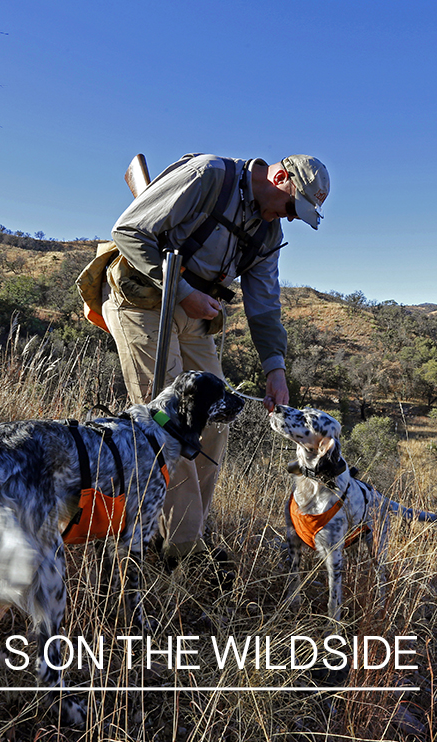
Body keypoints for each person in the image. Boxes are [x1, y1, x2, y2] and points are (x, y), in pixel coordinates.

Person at [99, 153, 330, 568]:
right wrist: (185, 290)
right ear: (278, 177)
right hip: (143, 298)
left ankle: (186, 529)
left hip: (195, 313)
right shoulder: (208, 175)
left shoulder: (268, 232)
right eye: (294, 206)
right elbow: (129, 231)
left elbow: (264, 304)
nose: (292, 219)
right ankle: (183, 549)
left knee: (216, 419)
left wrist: (275, 369)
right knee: (168, 423)